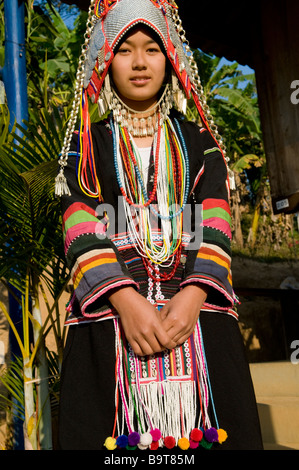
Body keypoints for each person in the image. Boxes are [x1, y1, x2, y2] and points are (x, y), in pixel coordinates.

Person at [56, 0, 263, 451]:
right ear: (106, 61)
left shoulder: (199, 142)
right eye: (125, 50)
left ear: (169, 58)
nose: (139, 62)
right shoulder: (86, 147)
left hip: (198, 320)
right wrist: (126, 301)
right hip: (111, 320)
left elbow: (215, 217)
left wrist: (192, 296)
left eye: (151, 49)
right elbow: (77, 221)